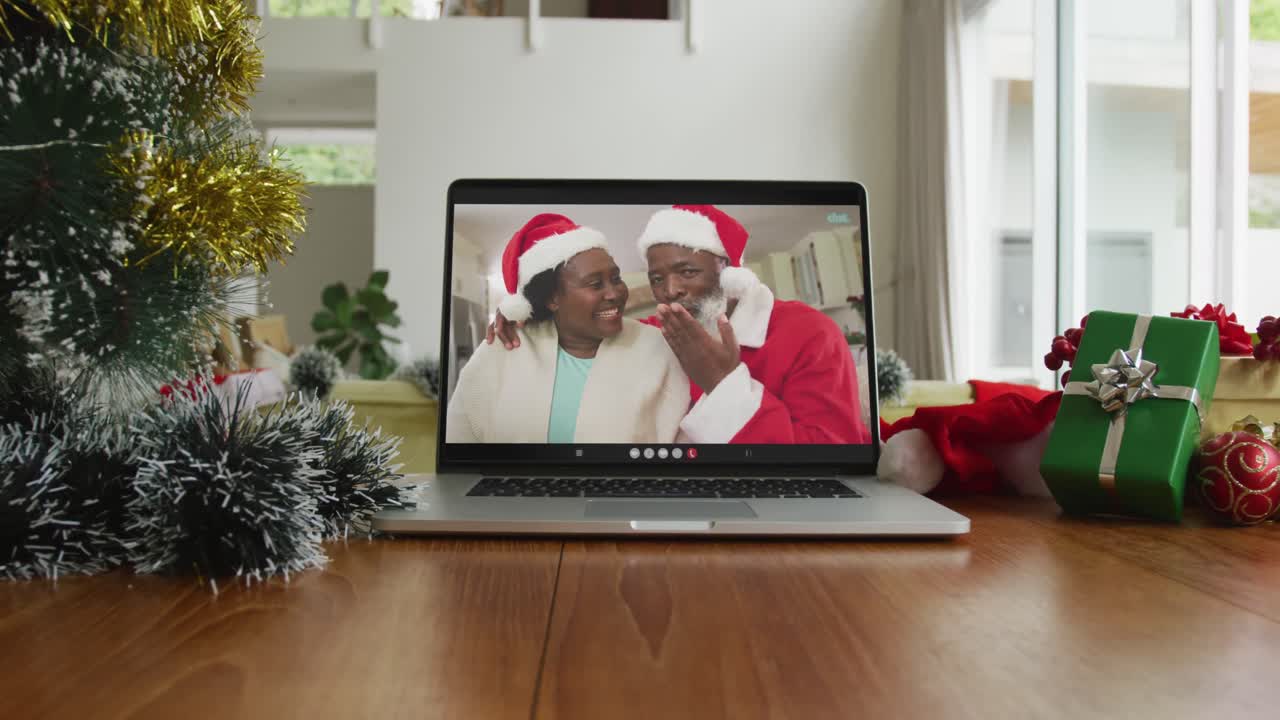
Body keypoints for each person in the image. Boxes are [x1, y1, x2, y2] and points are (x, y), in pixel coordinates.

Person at [488, 205, 871, 445]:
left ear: (729, 270)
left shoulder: (811, 333)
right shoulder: (655, 332)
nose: (670, 290)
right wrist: (529, 317)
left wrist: (722, 384)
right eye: (657, 278)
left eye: (687, 271)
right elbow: (582, 328)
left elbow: (834, 457)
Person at [447, 213, 689, 443]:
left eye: (616, 279)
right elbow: (461, 439)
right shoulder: (505, 349)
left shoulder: (656, 346)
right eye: (595, 284)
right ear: (553, 299)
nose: (614, 293)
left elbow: (683, 440)